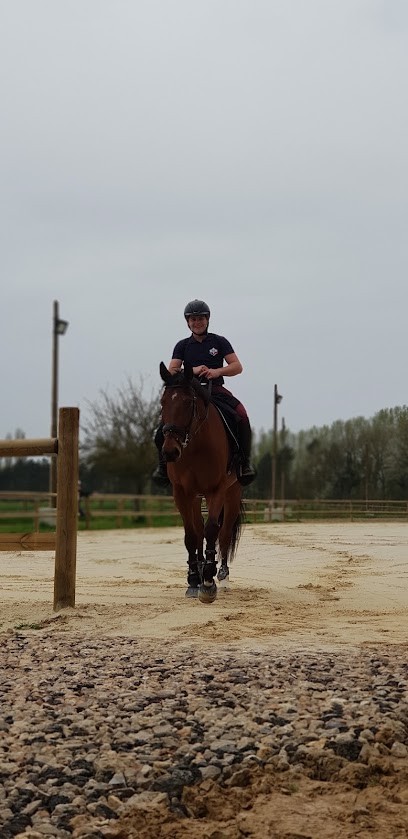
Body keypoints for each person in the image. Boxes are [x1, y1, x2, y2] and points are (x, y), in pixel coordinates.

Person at [153, 299, 256, 487]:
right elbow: (172, 370)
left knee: (241, 415)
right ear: (188, 322)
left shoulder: (219, 341)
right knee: (163, 426)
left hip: (214, 389)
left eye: (200, 319)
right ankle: (162, 467)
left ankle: (244, 463)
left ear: (207, 320)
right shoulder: (182, 346)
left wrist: (217, 371)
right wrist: (193, 370)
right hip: (188, 392)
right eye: (192, 319)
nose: (197, 322)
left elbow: (237, 367)